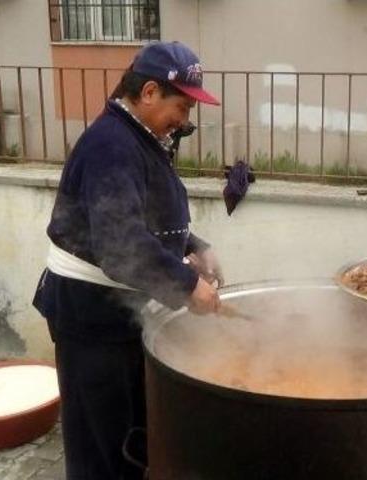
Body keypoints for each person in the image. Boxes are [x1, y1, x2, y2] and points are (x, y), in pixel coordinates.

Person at [32, 41, 223, 479]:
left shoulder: (139, 136)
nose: (185, 121)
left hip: (120, 319)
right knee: (102, 453)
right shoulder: (110, 145)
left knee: (131, 442)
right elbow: (121, 245)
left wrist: (191, 244)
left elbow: (140, 214)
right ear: (150, 92)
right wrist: (188, 284)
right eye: (182, 107)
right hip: (91, 321)